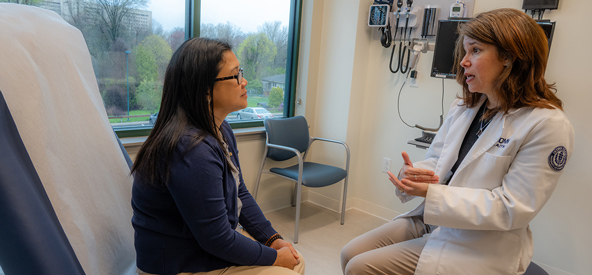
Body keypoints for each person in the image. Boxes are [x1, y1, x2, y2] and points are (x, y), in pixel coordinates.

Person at [341, 8, 574, 275]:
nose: (463, 62)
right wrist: (414, 174)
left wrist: (433, 194)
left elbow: (512, 208)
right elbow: (439, 160)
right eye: (465, 51)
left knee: (360, 268)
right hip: (434, 219)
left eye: (475, 50)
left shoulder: (546, 125)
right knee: (349, 252)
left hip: (480, 241)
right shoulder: (466, 107)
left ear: (509, 57)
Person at [131, 37, 304, 275]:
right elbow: (217, 239)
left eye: (240, 72)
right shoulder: (190, 149)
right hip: (176, 265)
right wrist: (274, 258)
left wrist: (272, 239)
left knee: (295, 260)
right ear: (205, 90)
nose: (244, 82)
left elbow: (239, 188)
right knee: (286, 270)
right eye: (235, 75)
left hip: (203, 248)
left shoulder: (221, 129)